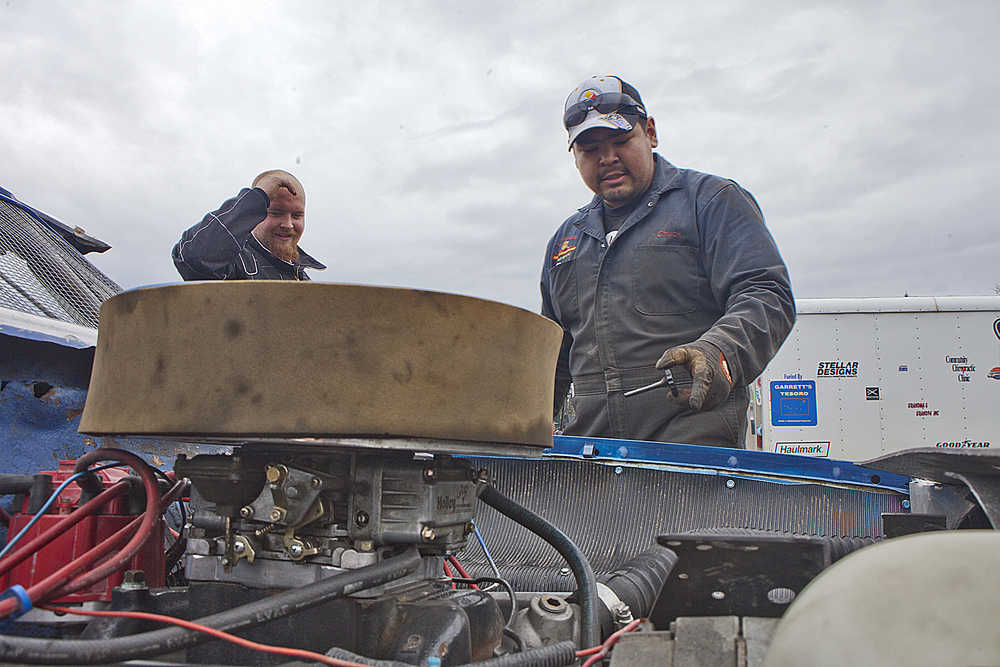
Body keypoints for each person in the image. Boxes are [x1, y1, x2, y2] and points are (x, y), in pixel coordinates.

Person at [541, 75, 795, 447]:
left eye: (621, 140)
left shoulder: (710, 203)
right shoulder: (565, 243)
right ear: (575, 157)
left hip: (691, 458)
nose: (607, 157)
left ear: (651, 133)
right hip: (590, 459)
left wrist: (718, 351)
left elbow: (767, 296)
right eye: (590, 148)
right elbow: (551, 358)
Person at [172, 170, 325, 280]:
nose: (288, 224)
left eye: (297, 215)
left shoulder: (302, 278)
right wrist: (259, 195)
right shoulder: (235, 262)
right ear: (255, 214)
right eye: (276, 213)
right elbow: (193, 258)